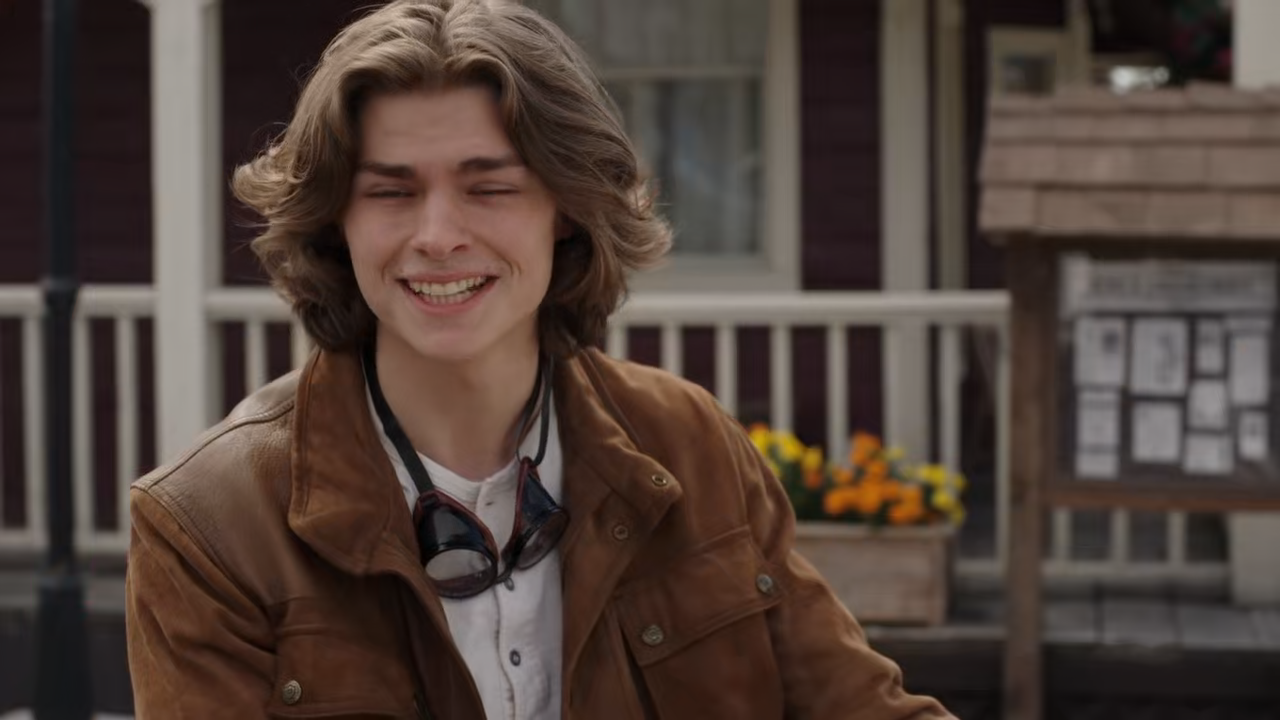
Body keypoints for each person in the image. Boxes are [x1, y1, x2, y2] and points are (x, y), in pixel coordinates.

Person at [124, 1, 955, 717]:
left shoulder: (689, 442)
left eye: (490, 187)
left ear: (567, 209)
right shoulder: (209, 524)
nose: (437, 235)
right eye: (391, 191)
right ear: (335, 222)